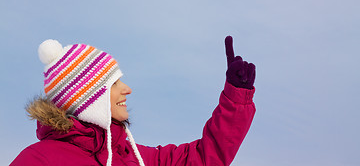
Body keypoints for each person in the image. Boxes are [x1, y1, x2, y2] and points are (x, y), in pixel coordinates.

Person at [10, 36, 256, 166]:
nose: (127, 90)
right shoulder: (38, 160)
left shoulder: (134, 157)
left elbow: (204, 157)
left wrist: (235, 97)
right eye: (114, 84)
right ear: (87, 98)